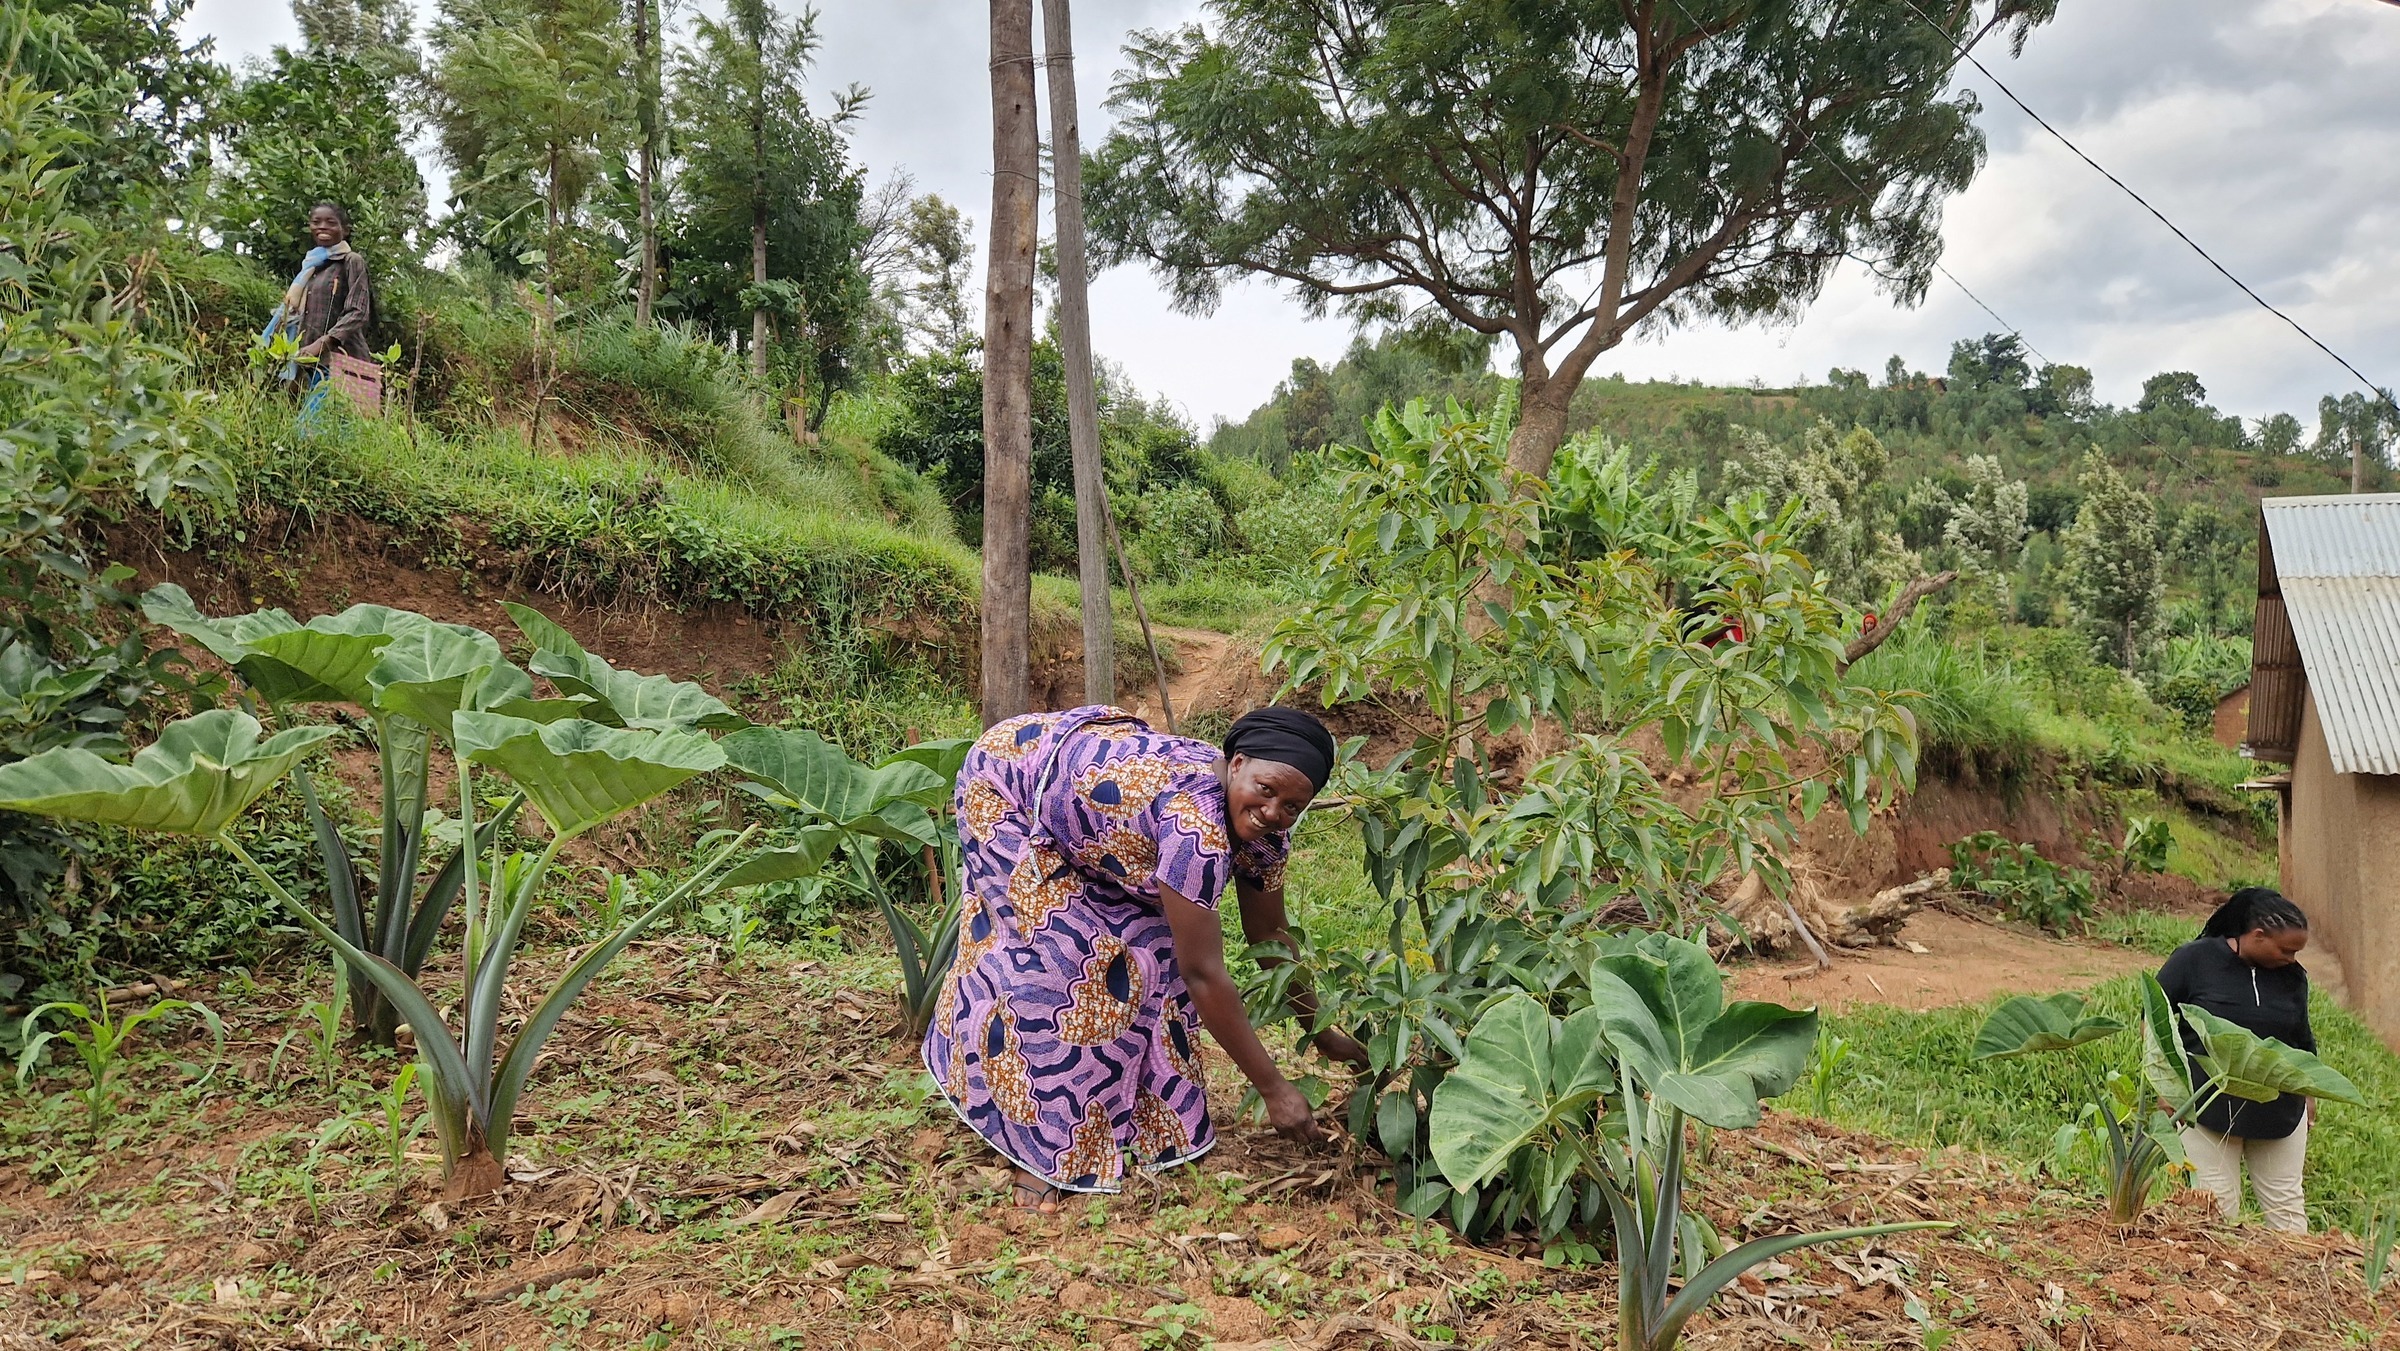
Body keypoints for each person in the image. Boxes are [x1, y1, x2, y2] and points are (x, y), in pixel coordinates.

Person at [924, 704, 1369, 1212]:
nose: (1272, 813)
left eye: (1292, 806)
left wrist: (1323, 1033)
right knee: (1059, 963)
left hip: (1105, 821)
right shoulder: (1195, 830)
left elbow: (1269, 934)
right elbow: (1204, 974)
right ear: (1238, 763)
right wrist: (1274, 1089)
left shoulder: (1265, 834)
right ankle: (1037, 1146)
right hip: (1011, 783)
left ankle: (1151, 1122)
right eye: (1265, 791)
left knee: (1155, 952)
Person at [2156, 887, 2315, 1232]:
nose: (2292, 959)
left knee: (2287, 1210)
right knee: (2215, 1206)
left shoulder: (2291, 976)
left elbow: (2301, 1037)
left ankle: (2288, 1270)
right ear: (2257, 936)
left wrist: (2309, 1094)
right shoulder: (2193, 961)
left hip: (2278, 1108)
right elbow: (2154, 1020)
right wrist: (2164, 1084)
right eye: (2286, 950)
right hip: (2205, 1104)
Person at [260, 202, 372, 375]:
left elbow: (358, 312)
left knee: (338, 394)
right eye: (316, 222)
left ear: (345, 230)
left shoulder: (351, 261)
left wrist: (322, 344)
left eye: (331, 222)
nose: (322, 227)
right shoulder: (311, 267)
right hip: (307, 363)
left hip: (344, 361)